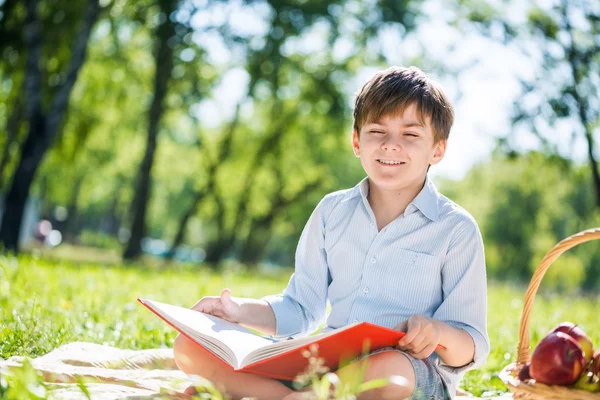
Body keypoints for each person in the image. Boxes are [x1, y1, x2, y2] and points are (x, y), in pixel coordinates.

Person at [173, 66, 489, 400]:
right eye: (377, 131)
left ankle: (269, 395)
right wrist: (235, 311)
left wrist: (439, 332)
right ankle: (298, 398)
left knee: (390, 369)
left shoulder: (456, 229)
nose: (391, 145)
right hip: (326, 367)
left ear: (437, 150)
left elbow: (471, 344)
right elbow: (301, 308)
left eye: (410, 135)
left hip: (407, 373)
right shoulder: (332, 212)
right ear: (356, 141)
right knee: (190, 346)